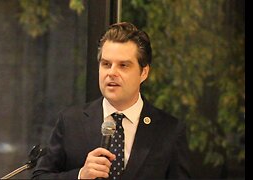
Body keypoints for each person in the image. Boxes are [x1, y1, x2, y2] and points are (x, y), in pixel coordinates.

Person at [32, 22, 191, 179]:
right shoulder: (71, 122)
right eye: (106, 64)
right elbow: (39, 176)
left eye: (123, 65)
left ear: (144, 72)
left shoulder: (169, 130)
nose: (112, 73)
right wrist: (81, 176)